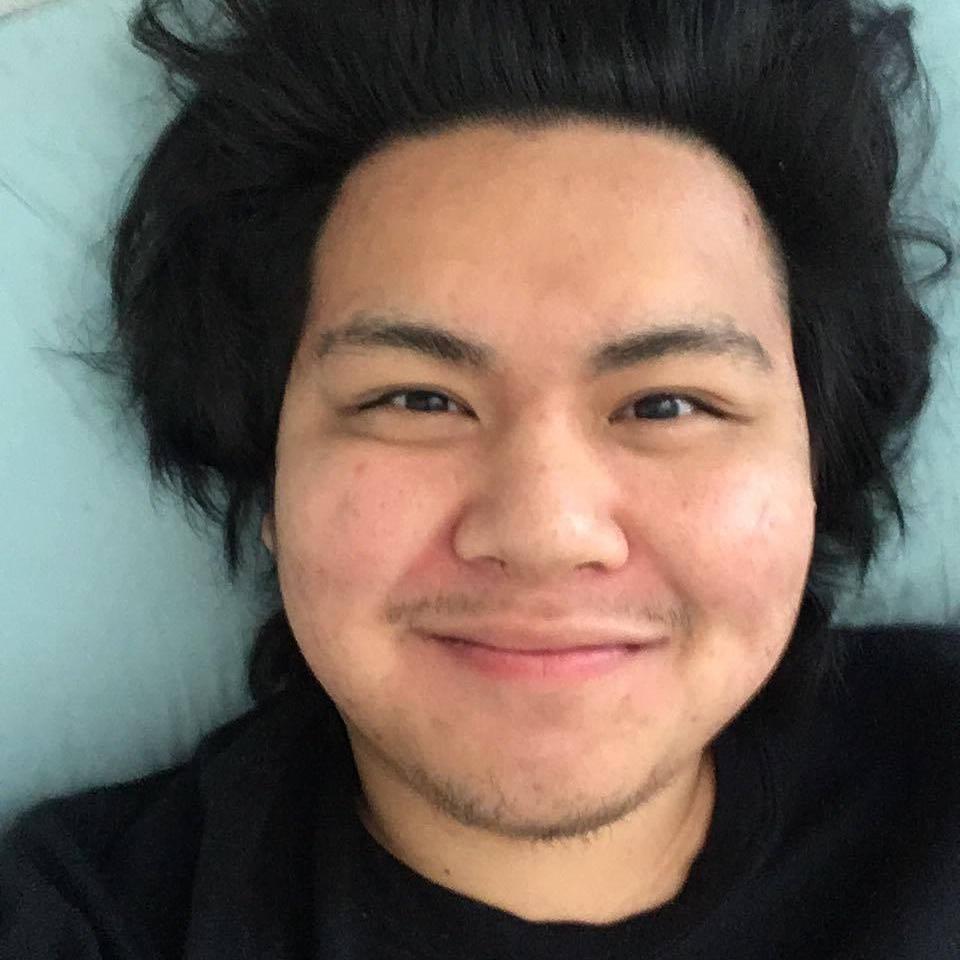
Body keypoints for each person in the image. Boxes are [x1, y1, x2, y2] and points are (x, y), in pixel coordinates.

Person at [2, 0, 958, 956]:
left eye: (667, 405)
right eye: (418, 400)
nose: (544, 531)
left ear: (812, 467)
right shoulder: (85, 921)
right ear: (271, 472)